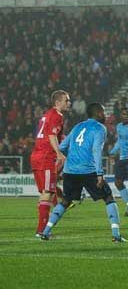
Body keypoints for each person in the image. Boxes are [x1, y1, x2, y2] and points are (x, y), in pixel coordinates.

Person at [40, 103, 126, 243]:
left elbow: (62, 147)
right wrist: (100, 174)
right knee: (109, 198)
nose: (104, 115)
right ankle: (116, 235)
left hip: (70, 171)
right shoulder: (99, 128)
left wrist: (70, 160)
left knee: (65, 201)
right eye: (103, 112)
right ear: (98, 113)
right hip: (89, 171)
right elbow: (96, 150)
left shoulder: (78, 126)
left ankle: (45, 232)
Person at [31, 90, 71, 237]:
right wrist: (59, 153)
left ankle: (41, 229)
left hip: (36, 155)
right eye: (66, 100)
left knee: (45, 193)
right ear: (58, 102)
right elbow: (51, 135)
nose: (69, 103)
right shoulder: (57, 116)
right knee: (47, 193)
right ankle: (41, 231)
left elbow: (53, 134)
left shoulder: (47, 114)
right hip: (46, 157)